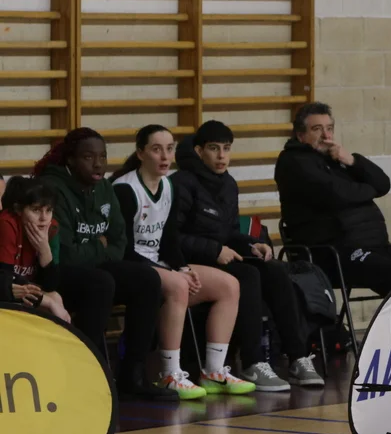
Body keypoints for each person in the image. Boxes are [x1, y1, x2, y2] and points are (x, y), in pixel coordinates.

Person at [174, 120, 323, 391]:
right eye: (214, 149)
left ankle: (298, 357)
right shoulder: (181, 182)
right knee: (249, 275)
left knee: (276, 270)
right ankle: (253, 362)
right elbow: (173, 237)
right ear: (199, 151)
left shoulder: (228, 184)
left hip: (221, 256)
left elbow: (229, 232)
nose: (221, 156)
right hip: (191, 260)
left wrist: (253, 244)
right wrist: (214, 250)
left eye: (226, 149)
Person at [111, 125, 256, 399]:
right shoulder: (125, 190)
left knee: (229, 285)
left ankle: (214, 371)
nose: (165, 156)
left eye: (170, 149)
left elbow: (169, 239)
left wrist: (183, 267)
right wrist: (173, 274)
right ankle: (170, 374)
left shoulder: (168, 185)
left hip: (159, 264)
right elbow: (122, 250)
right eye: (156, 149)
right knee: (178, 286)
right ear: (141, 153)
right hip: (131, 266)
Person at [35, 128, 176, 401]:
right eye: (88, 157)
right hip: (55, 272)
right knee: (100, 283)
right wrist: (99, 245)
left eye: (102, 156)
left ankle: (133, 375)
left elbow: (119, 242)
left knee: (147, 279)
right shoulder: (53, 188)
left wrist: (95, 248)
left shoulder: (104, 188)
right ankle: (91, 371)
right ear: (71, 160)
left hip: (94, 267)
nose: (98, 164)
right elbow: (65, 253)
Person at [275, 103, 391, 298]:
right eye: (317, 129)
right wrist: (370, 190)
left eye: (329, 128)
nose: (326, 135)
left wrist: (352, 160)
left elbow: (383, 184)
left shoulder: (334, 158)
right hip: (330, 252)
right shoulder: (293, 162)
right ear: (301, 135)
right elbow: (337, 194)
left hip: (373, 245)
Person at [0, 177, 69, 322]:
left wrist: (44, 250)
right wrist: (46, 301)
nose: (43, 218)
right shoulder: (7, 224)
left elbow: (51, 285)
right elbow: (5, 280)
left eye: (49, 210)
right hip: (8, 292)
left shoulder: (52, 228)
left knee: (56, 297)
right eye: (36, 210)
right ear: (19, 210)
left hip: (26, 288)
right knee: (52, 303)